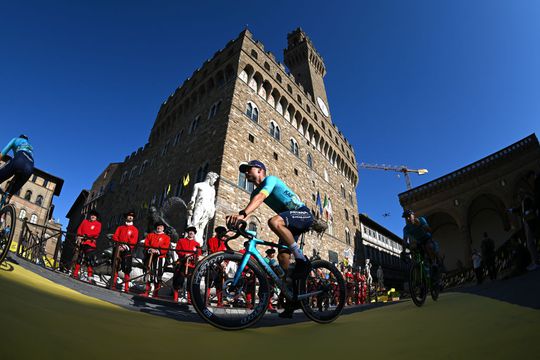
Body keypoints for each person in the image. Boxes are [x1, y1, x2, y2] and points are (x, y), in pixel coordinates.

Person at [226, 160, 314, 319]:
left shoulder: (270, 180)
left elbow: (260, 197)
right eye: (244, 171)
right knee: (283, 258)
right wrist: (233, 229)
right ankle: (293, 297)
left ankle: (302, 260)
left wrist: (242, 214)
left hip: (302, 214)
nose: (245, 173)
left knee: (274, 222)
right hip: (289, 223)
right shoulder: (254, 194)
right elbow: (251, 208)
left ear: (260, 170)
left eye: (248, 169)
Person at [0, 134, 34, 204]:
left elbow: (2, 153)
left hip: (19, 160)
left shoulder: (16, 140)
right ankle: (8, 198)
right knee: (9, 194)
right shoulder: (30, 147)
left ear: (20, 137)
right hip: (30, 167)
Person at [172, 226, 201, 303]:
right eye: (190, 231)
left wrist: (193, 257)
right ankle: (175, 298)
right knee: (178, 280)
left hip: (191, 264)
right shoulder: (181, 241)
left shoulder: (197, 244)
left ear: (194, 234)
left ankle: (189, 299)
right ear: (188, 233)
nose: (191, 233)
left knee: (190, 282)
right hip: (182, 263)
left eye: (193, 232)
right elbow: (177, 250)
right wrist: (184, 255)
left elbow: (198, 254)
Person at [111, 211, 139, 292]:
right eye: (128, 216)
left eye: (131, 216)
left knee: (127, 268)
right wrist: (119, 245)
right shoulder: (120, 228)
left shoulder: (135, 229)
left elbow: (134, 240)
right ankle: (113, 284)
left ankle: (126, 287)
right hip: (118, 248)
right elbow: (115, 236)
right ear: (126, 217)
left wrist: (125, 246)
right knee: (115, 266)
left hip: (127, 250)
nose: (130, 217)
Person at [142, 221, 171, 298]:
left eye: (161, 226)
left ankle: (155, 294)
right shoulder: (150, 235)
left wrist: (157, 251)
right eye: (158, 226)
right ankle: (146, 292)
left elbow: (166, 247)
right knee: (148, 273)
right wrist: (150, 249)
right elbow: (146, 243)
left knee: (158, 276)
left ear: (163, 228)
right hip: (150, 257)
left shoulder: (166, 237)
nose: (159, 227)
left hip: (160, 258)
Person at [72, 210, 101, 282]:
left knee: (89, 260)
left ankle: (90, 277)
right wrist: (79, 236)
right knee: (79, 258)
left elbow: (96, 233)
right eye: (92, 215)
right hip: (82, 243)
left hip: (90, 244)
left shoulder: (98, 224)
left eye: (94, 215)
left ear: (96, 217)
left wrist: (85, 236)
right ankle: (75, 273)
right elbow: (79, 229)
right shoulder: (85, 221)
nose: (93, 216)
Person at [206, 226, 228, 307]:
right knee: (209, 282)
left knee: (219, 285)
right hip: (212, 265)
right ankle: (206, 300)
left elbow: (227, 254)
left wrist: (225, 263)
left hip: (221, 267)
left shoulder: (224, 242)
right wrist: (220, 261)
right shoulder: (211, 240)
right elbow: (212, 252)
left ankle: (220, 302)